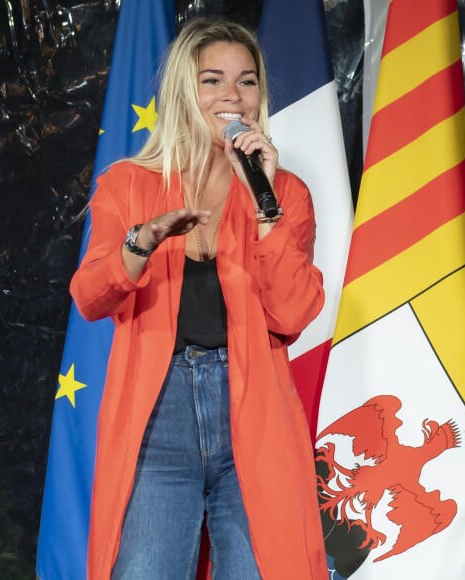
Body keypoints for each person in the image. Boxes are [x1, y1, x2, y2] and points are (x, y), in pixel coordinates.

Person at [70, 17, 327, 579]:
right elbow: (90, 297)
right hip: (159, 423)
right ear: (186, 91)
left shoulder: (284, 192)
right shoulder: (127, 184)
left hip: (254, 417)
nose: (233, 96)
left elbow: (292, 312)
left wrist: (264, 206)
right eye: (213, 80)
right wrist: (144, 240)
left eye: (247, 81)